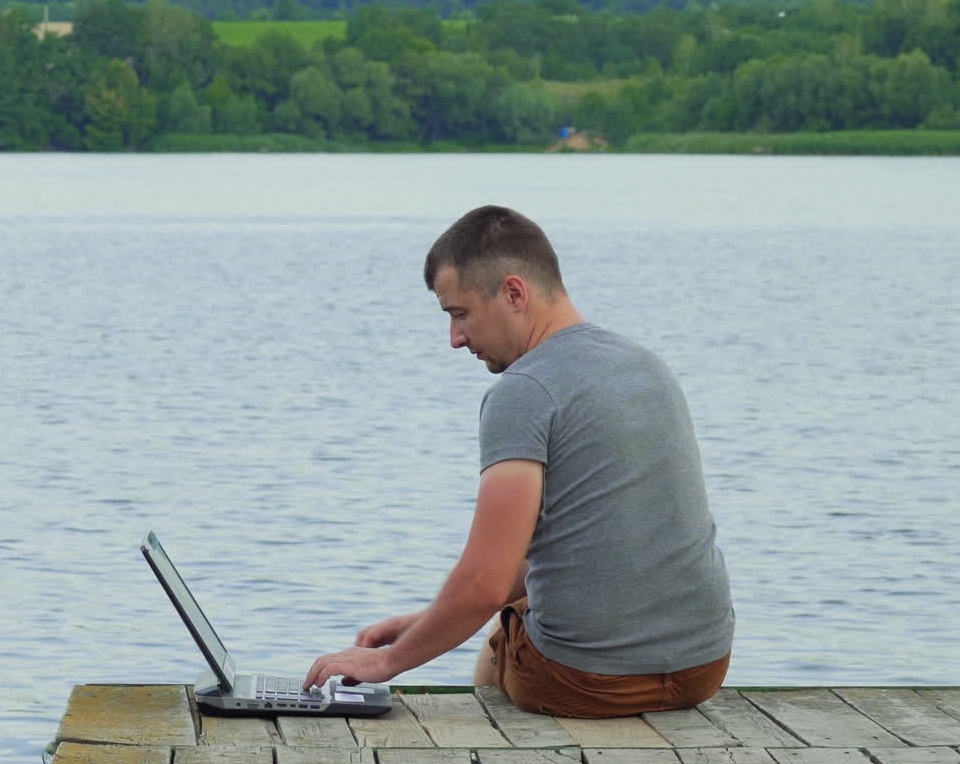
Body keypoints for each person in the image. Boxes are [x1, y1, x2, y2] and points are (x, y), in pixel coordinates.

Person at [303, 204, 733, 717]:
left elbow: (487, 580)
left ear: (513, 293)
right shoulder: (647, 366)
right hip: (703, 667)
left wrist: (388, 661)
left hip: (586, 682)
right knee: (517, 606)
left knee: (502, 633)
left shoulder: (525, 389)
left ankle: (502, 755)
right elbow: (593, 549)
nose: (455, 339)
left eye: (459, 314)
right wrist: (428, 621)